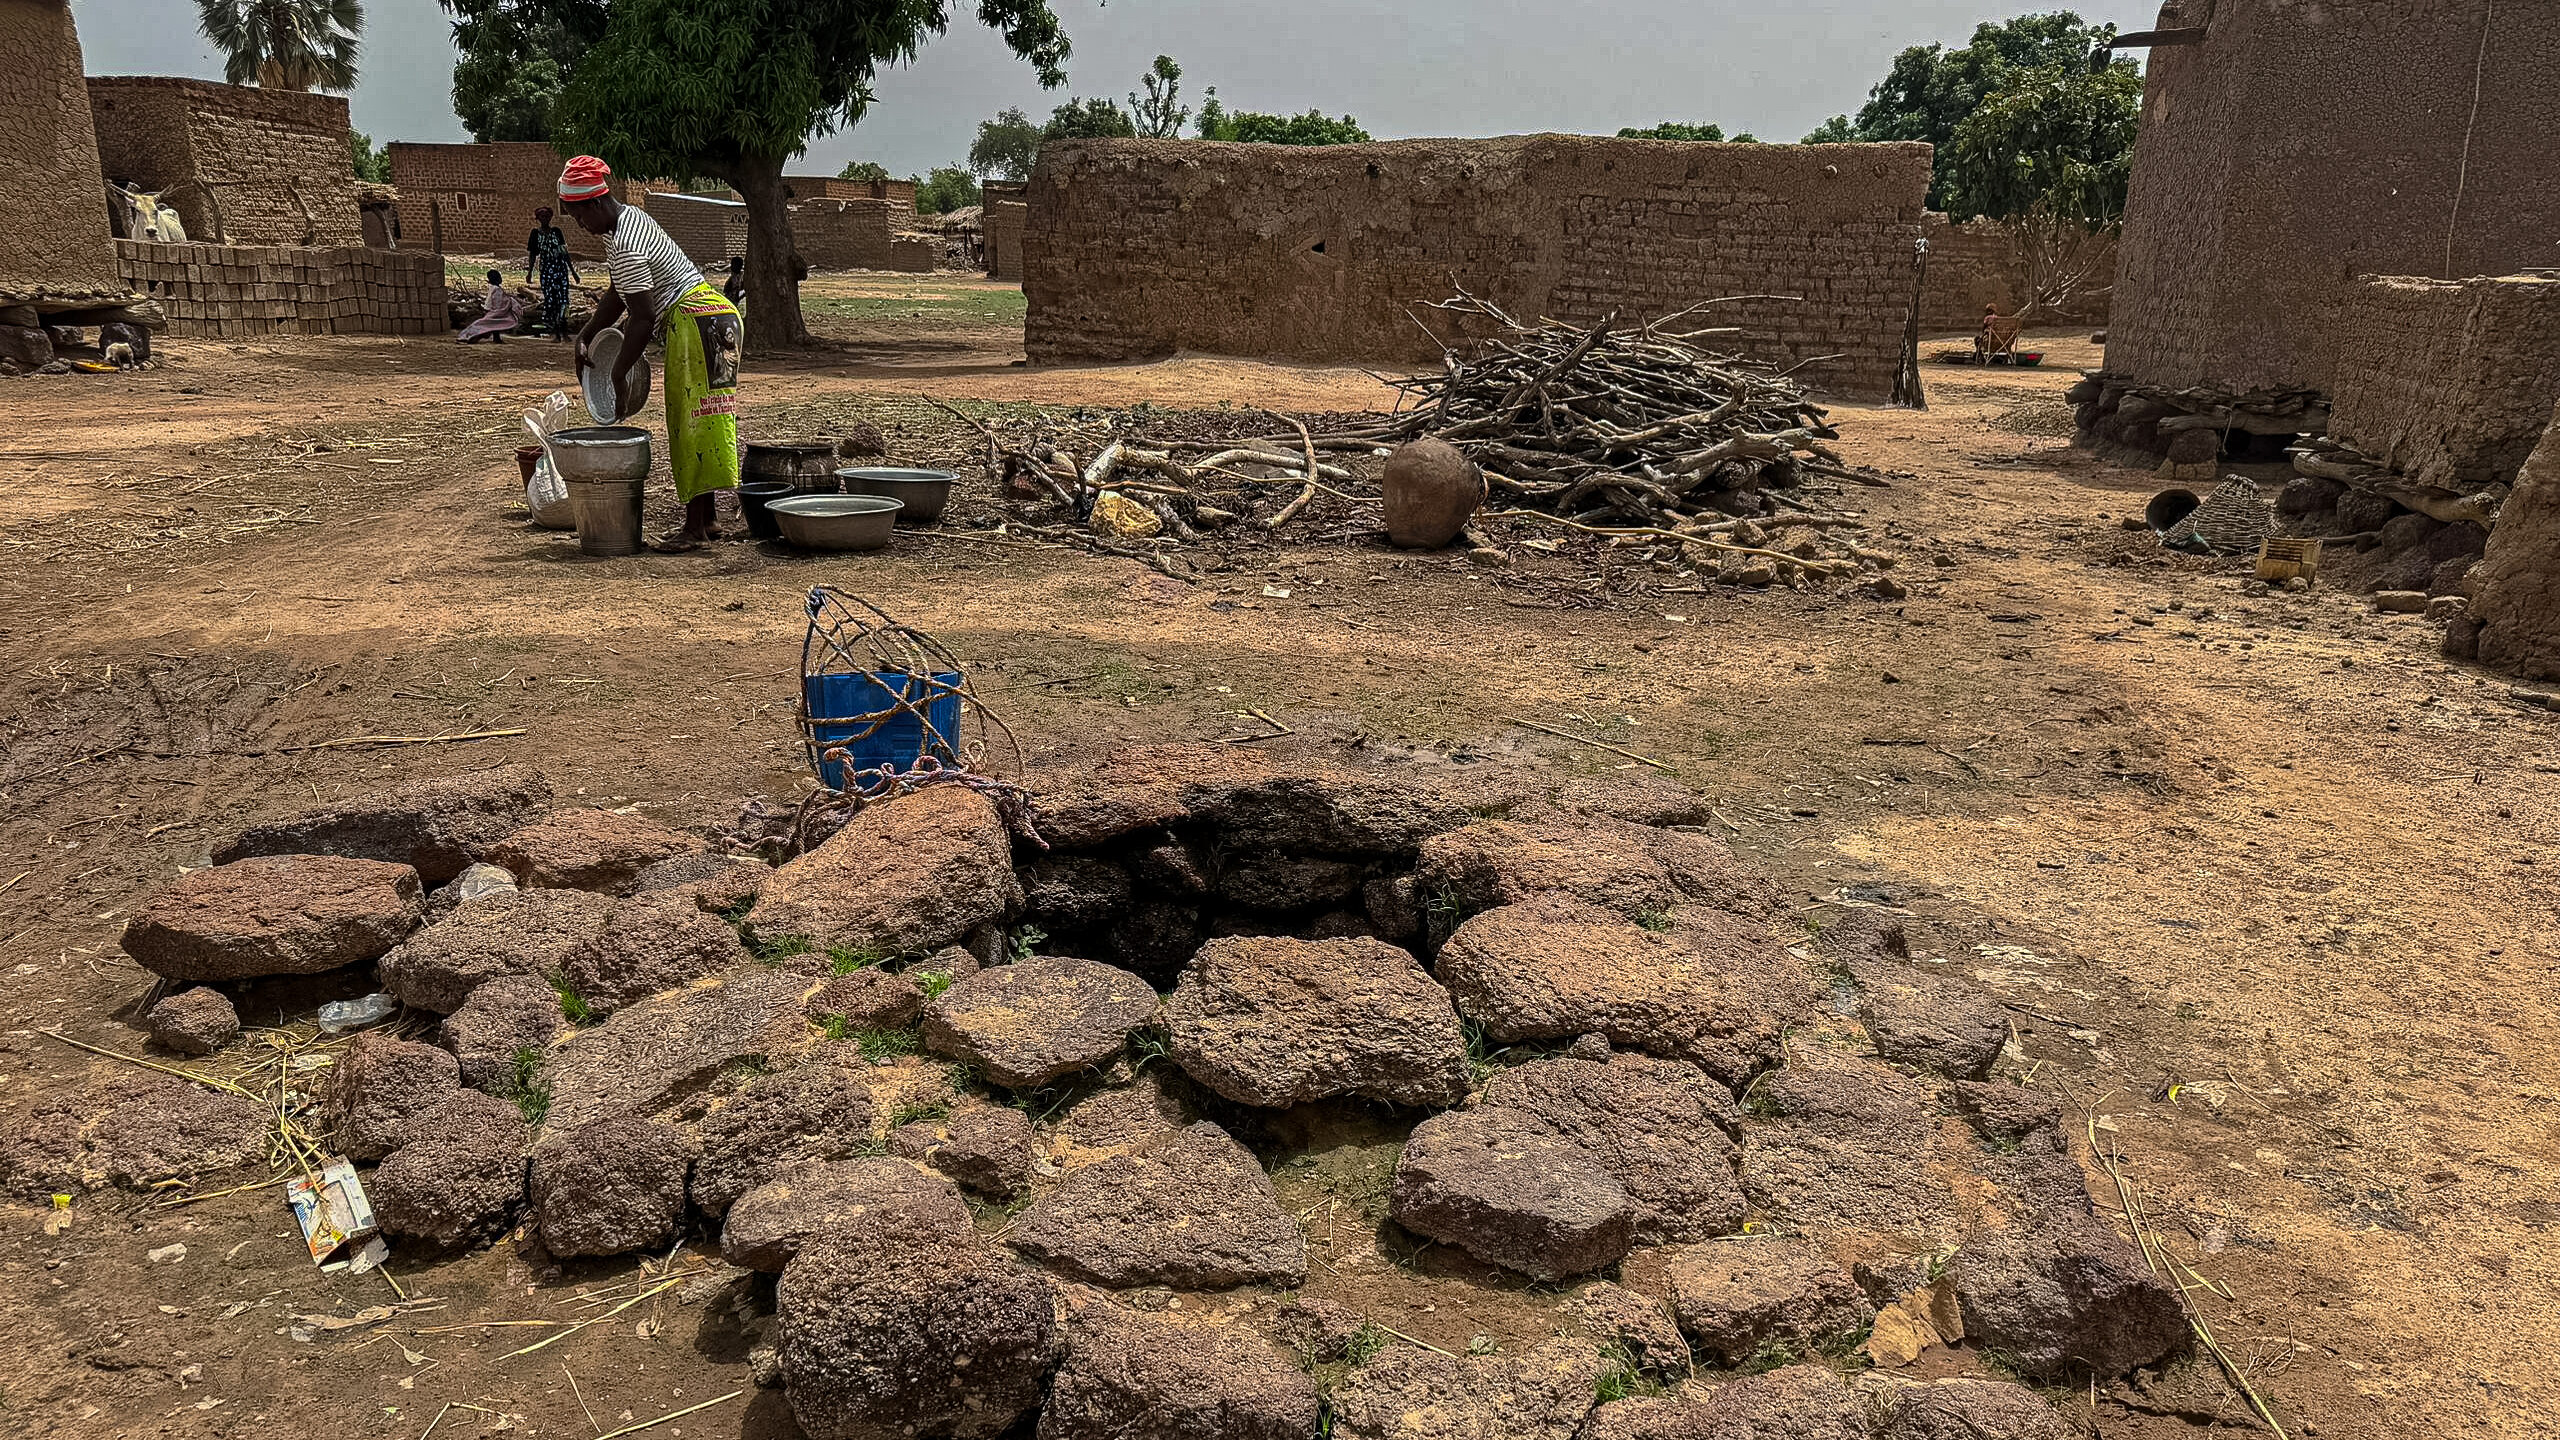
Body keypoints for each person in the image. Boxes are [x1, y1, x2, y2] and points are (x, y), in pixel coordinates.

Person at [557, 155, 742, 549]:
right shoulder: (628, 221)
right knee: (704, 420)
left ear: (595, 203)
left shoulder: (624, 241)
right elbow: (620, 292)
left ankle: (694, 529)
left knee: (688, 421)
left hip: (694, 321)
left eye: (577, 216)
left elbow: (641, 317)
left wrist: (618, 374)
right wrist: (587, 333)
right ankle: (707, 518)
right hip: (717, 317)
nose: (580, 226)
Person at [525, 206, 581, 340]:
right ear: (538, 219)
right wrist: (530, 272)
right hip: (546, 271)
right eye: (542, 217)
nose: (545, 219)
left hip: (560, 269)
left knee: (564, 301)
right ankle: (556, 332)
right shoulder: (535, 234)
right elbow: (533, 254)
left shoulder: (557, 232)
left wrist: (573, 272)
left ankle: (565, 330)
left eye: (547, 216)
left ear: (550, 217)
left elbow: (564, 252)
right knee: (551, 301)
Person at [458, 270, 526, 343]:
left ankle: (496, 338)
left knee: (493, 325)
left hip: (493, 311)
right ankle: (472, 337)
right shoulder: (496, 289)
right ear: (496, 279)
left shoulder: (493, 288)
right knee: (490, 326)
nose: (501, 279)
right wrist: (510, 301)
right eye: (499, 277)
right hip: (496, 311)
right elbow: (500, 302)